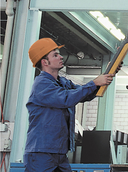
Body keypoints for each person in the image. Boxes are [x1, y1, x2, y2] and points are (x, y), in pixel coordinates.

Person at [23, 38, 120, 172]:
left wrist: (108, 74)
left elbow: (84, 94)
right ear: (45, 62)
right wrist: (94, 83)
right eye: (55, 55)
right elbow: (67, 98)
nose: (61, 56)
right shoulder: (42, 84)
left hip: (59, 153)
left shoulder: (63, 82)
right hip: (42, 153)